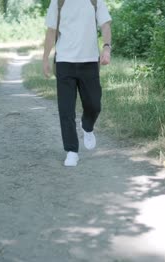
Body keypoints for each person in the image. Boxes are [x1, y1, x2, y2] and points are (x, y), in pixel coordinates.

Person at [43, 0, 112, 167]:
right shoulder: (58, 2)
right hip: (64, 61)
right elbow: (51, 31)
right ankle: (72, 151)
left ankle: (87, 126)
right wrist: (45, 57)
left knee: (94, 104)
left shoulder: (94, 1)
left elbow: (105, 25)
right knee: (65, 109)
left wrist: (106, 47)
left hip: (89, 61)